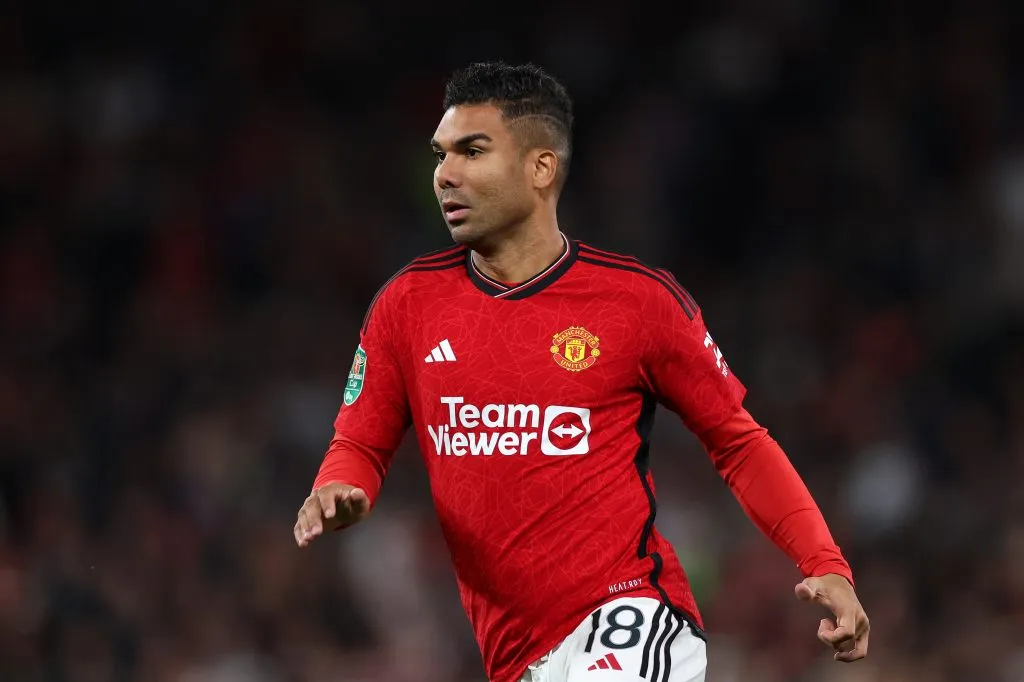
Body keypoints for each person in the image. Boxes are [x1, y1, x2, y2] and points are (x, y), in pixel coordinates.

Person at [293, 61, 869, 682]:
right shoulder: (407, 306)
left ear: (541, 168)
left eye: (472, 151)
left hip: (630, 616)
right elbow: (360, 443)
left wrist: (823, 561)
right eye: (440, 155)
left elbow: (737, 441)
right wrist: (337, 488)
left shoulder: (636, 302)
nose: (444, 175)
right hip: (516, 657)